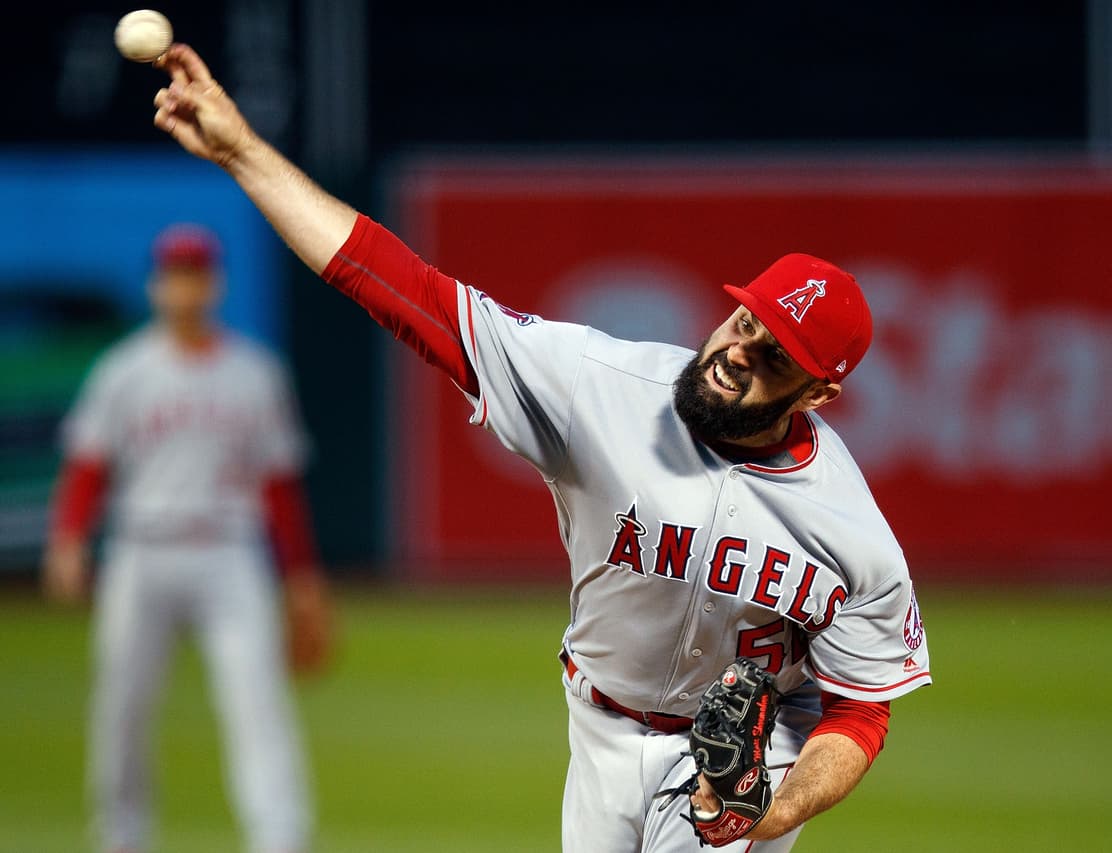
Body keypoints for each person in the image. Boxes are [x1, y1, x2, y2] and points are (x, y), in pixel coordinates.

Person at [148, 44, 931, 852]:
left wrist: (771, 809)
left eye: (775, 358)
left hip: (736, 764)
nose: (739, 352)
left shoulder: (852, 532)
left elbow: (861, 709)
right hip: (595, 729)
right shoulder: (601, 386)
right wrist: (243, 151)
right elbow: (405, 291)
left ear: (819, 394)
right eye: (745, 324)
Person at [42, 221, 332, 853]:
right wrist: (68, 538)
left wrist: (302, 581)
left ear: (216, 282)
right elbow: (89, 465)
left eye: (196, 272)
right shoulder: (124, 371)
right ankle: (121, 836)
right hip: (141, 550)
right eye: (176, 273)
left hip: (229, 551)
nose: (186, 285)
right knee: (122, 706)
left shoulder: (254, 373)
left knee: (258, 702)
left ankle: (280, 837)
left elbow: (280, 487)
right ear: (156, 285)